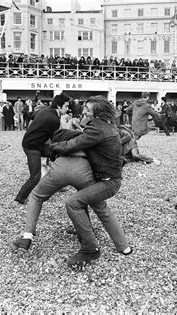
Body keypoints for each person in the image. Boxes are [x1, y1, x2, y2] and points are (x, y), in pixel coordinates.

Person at [49, 96, 132, 268]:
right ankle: (124, 247)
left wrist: (52, 147)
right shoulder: (107, 125)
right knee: (100, 209)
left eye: (87, 108)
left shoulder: (96, 129)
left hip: (108, 182)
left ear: (97, 113)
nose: (84, 111)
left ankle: (90, 248)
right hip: (109, 177)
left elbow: (74, 144)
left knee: (73, 203)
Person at [14, 93, 70, 205]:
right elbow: (55, 139)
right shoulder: (54, 119)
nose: (68, 109)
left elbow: (31, 115)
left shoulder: (45, 110)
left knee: (57, 156)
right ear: (59, 106)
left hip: (37, 143)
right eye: (66, 106)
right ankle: (19, 199)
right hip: (31, 146)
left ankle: (57, 184)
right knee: (35, 177)